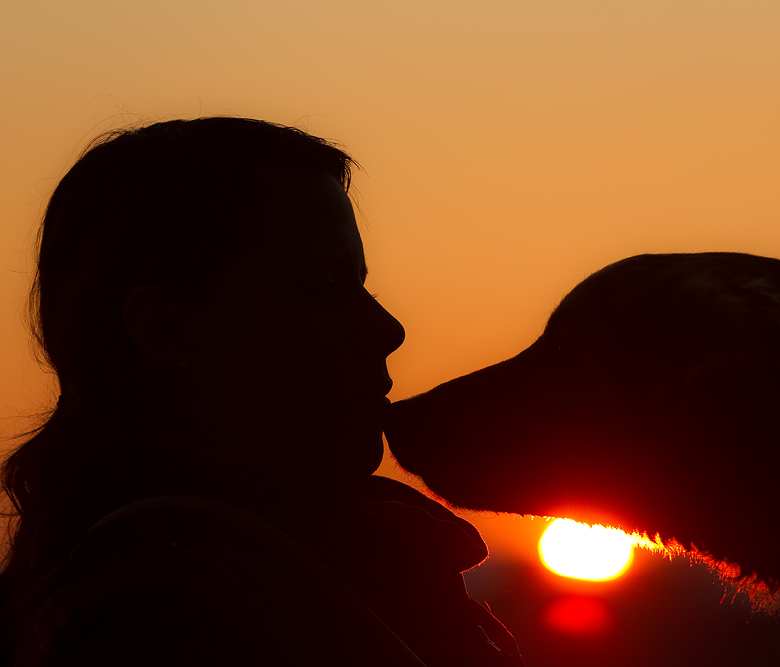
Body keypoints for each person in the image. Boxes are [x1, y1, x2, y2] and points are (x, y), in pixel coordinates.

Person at [0, 117, 523, 666]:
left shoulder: (307, 572)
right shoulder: (171, 623)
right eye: (323, 288)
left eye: (360, 286)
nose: (387, 330)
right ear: (163, 330)